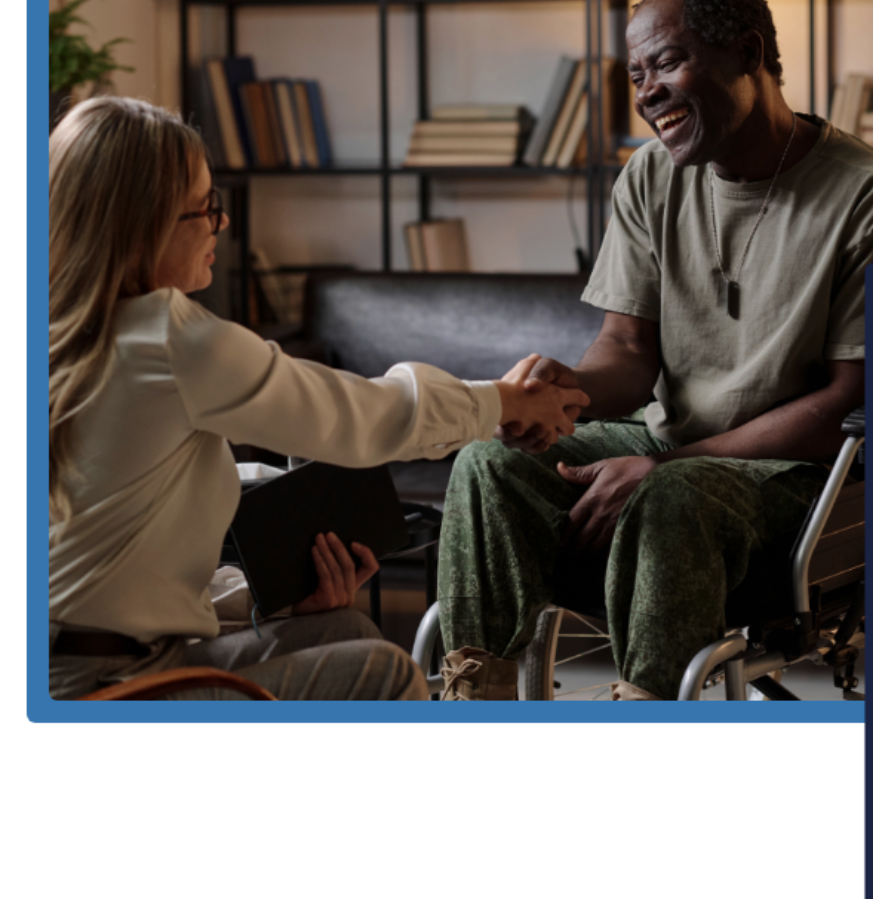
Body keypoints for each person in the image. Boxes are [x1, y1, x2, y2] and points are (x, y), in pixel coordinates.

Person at [437, 0, 873, 701]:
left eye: (667, 63)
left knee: (671, 497)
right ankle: (477, 707)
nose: (646, 93)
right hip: (670, 443)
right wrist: (564, 390)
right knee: (489, 463)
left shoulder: (871, 194)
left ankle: (649, 720)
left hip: (803, 477)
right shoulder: (648, 178)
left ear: (748, 53)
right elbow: (628, 354)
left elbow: (845, 406)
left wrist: (672, 466)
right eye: (636, 75)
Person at [48, 96, 587, 701]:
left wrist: (264, 598)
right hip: (97, 686)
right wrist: (504, 401)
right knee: (381, 673)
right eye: (205, 208)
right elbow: (360, 416)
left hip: (78, 660)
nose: (221, 224)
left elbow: (112, 553)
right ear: (143, 223)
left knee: (342, 628)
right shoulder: (170, 339)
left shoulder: (62, 327)